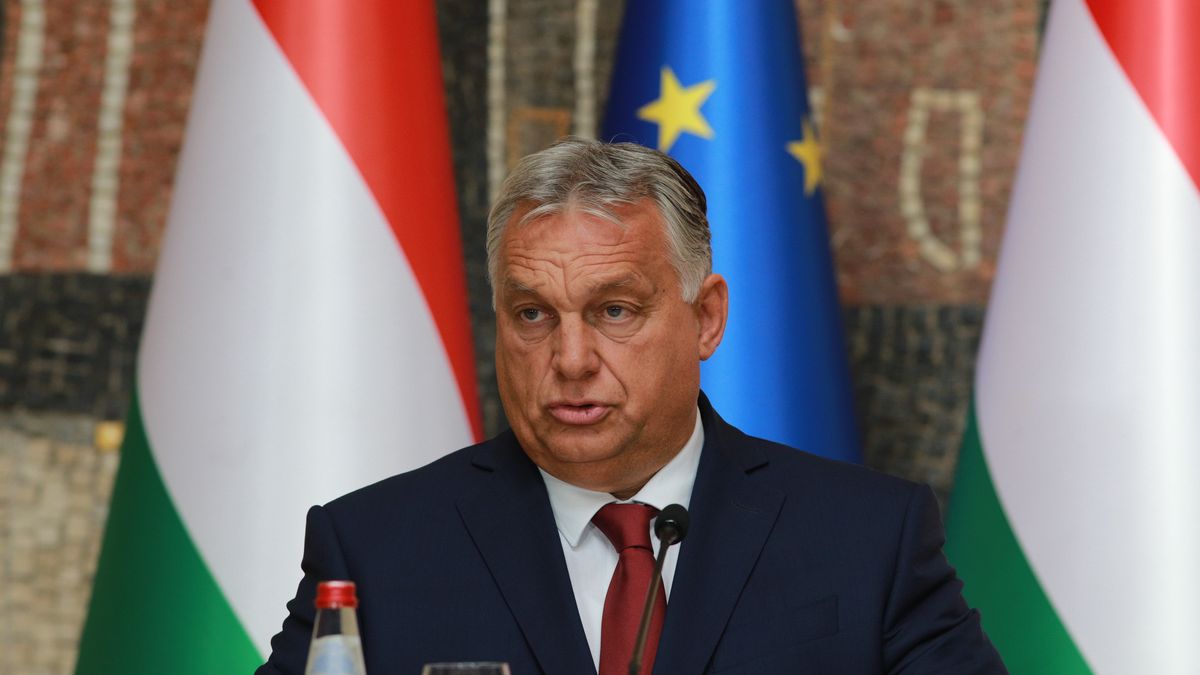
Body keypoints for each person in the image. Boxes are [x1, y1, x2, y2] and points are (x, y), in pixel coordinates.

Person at [258, 138, 1006, 674]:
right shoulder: (377, 550)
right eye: (532, 314)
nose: (571, 359)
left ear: (705, 318)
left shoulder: (866, 539)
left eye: (614, 310)